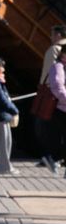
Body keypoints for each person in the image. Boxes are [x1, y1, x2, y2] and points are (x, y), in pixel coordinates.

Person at [37, 25, 66, 172]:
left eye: (52, 34)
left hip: (54, 96)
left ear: (59, 35)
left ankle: (51, 158)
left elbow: (50, 75)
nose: (51, 37)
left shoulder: (55, 49)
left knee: (50, 128)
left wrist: (42, 88)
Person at [44, 47, 66, 179]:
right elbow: (57, 87)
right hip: (62, 108)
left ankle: (54, 158)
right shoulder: (58, 67)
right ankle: (53, 158)